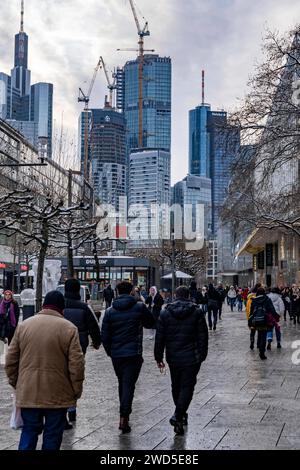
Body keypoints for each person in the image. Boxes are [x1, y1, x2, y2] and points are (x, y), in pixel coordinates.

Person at [5, 290, 85, 450]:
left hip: (29, 391)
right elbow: (77, 365)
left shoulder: (24, 326)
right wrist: (76, 391)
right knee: (53, 435)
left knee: (29, 431)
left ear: (43, 305)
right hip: (58, 393)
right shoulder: (69, 328)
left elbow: (11, 360)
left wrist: (17, 383)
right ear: (61, 308)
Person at [101, 281, 155, 433]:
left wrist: (110, 352)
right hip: (133, 353)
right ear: (132, 291)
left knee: (122, 382)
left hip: (117, 355)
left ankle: (124, 414)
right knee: (128, 384)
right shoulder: (139, 307)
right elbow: (150, 323)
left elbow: (105, 335)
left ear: (117, 292)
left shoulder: (110, 311)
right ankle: (124, 417)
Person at [154, 286, 208, 436]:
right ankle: (179, 414)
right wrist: (202, 355)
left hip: (173, 356)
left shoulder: (165, 312)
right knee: (187, 387)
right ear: (189, 296)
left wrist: (158, 356)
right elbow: (203, 336)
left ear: (175, 296)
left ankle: (180, 414)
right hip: (192, 357)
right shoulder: (196, 312)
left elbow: (160, 337)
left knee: (176, 386)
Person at [63, 278, 101, 426]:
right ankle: (72, 409)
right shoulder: (84, 308)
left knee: (61, 376)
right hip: (79, 345)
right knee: (74, 376)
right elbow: (94, 327)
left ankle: (61, 410)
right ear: (78, 290)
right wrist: (96, 342)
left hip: (59, 345)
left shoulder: (59, 306)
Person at [248, 287, 279, 360]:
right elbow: (272, 310)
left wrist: (249, 322)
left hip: (256, 321)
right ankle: (262, 352)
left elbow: (251, 312)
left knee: (259, 332)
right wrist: (276, 317)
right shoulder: (267, 299)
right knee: (263, 335)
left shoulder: (254, 300)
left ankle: (259, 346)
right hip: (265, 320)